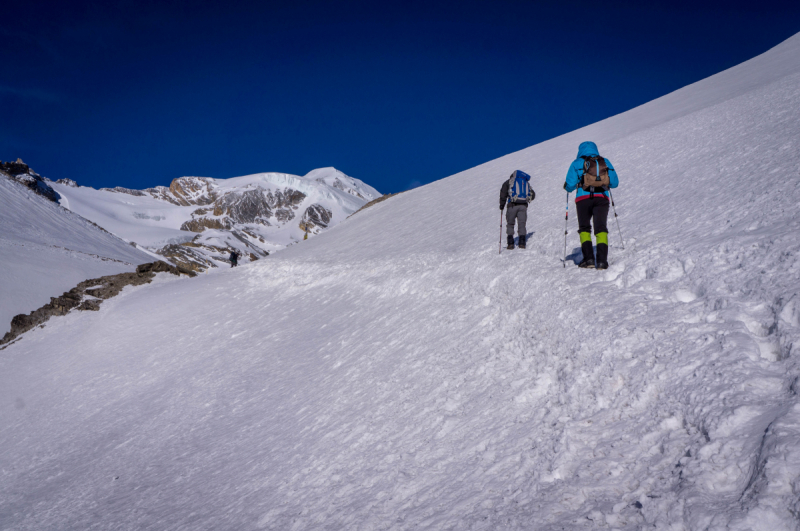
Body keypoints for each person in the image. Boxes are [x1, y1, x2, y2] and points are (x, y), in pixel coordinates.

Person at [563, 141, 619, 269]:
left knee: (584, 228)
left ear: (580, 150)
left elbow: (570, 185)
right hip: (602, 198)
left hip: (583, 199)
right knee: (601, 228)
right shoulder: (605, 161)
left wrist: (567, 186)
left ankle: (588, 259)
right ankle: (602, 261)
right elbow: (615, 183)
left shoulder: (577, 163)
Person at [499, 170, 535, 249]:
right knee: (522, 224)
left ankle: (510, 243)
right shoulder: (525, 183)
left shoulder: (509, 182)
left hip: (512, 205)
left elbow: (503, 193)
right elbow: (533, 195)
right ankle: (522, 243)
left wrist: (502, 205)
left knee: (510, 224)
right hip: (523, 207)